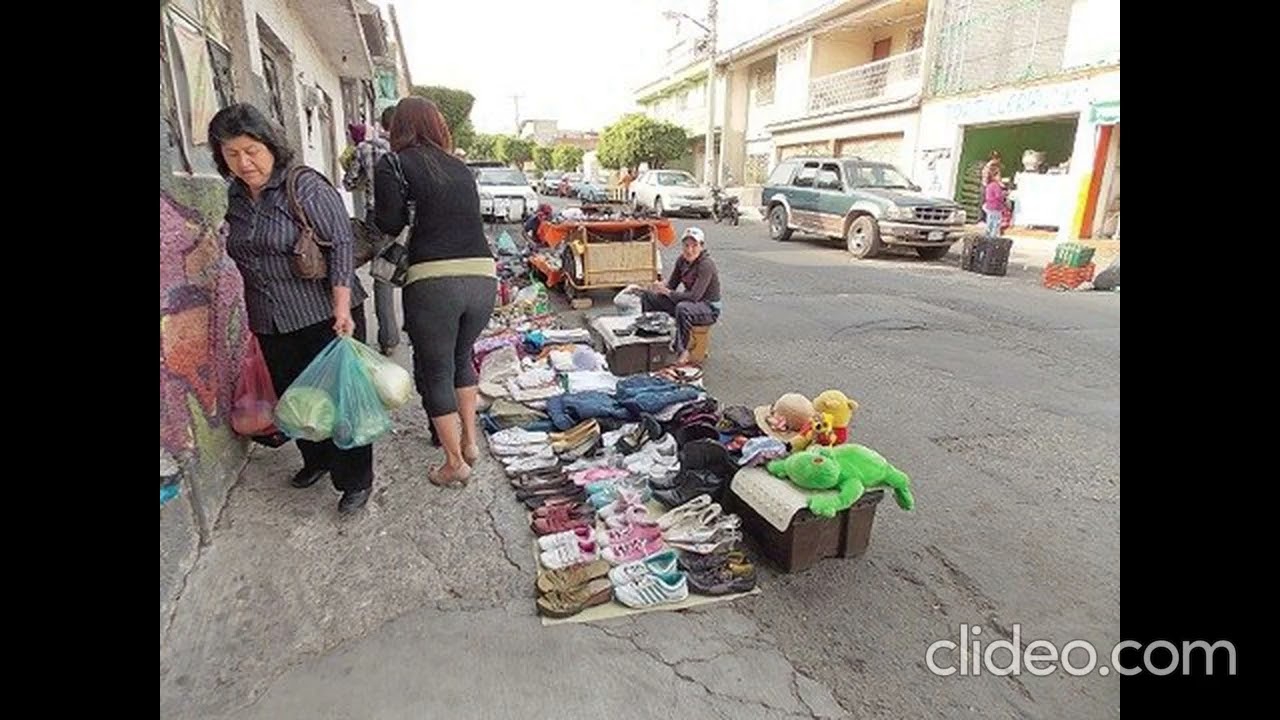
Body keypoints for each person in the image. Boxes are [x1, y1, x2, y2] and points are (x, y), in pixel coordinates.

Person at [207, 103, 374, 514]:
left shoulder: (305, 187)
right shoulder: (235, 197)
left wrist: (342, 310)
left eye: (251, 151)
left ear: (270, 144)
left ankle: (354, 480)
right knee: (296, 398)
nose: (244, 163)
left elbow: (341, 247)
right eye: (232, 154)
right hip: (269, 319)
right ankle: (315, 461)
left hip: (325, 316)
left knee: (339, 403)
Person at [374, 96, 497, 488]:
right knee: (463, 358)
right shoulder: (461, 169)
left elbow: (389, 222)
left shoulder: (392, 163)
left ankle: (454, 463)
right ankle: (470, 443)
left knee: (435, 371)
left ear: (399, 128)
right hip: (483, 278)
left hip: (433, 282)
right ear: (437, 126)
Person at [343, 108, 400, 356]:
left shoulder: (365, 148)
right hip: (407, 220)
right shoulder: (408, 150)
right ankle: (413, 327)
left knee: (383, 277)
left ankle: (388, 339)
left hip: (377, 218)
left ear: (381, 124)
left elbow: (349, 182)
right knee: (410, 273)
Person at [641, 227, 721, 365]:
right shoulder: (681, 261)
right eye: (686, 246)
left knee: (682, 308)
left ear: (701, 246)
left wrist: (668, 292)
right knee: (648, 296)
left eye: (694, 246)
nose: (689, 250)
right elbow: (672, 284)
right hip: (690, 302)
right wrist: (657, 287)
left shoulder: (706, 265)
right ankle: (655, 339)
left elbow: (694, 296)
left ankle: (683, 350)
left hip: (708, 307)